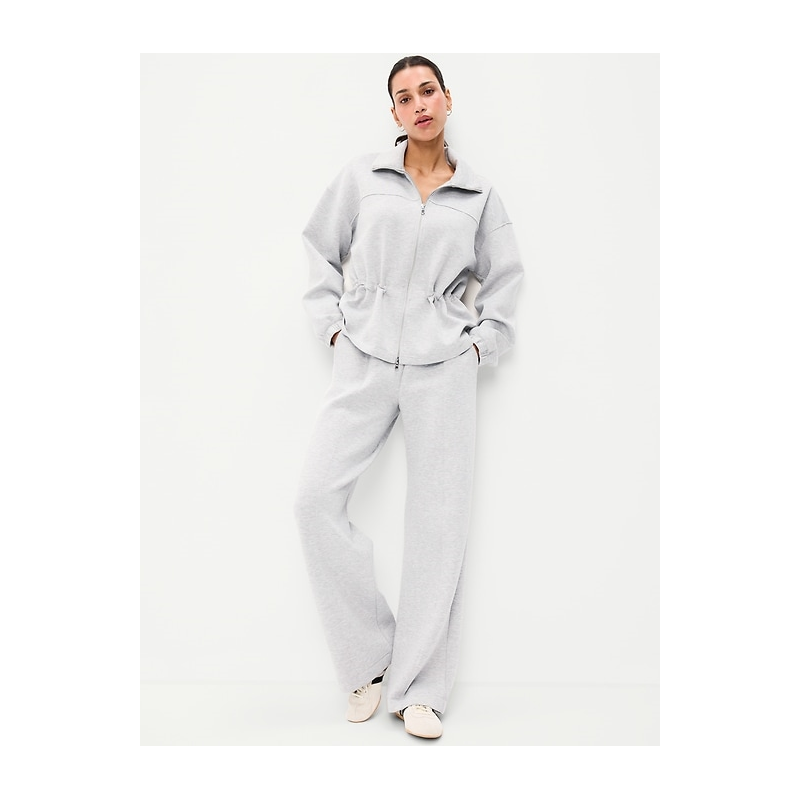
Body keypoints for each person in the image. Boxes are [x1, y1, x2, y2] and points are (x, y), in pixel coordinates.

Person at [294, 55, 524, 740]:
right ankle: (369, 661)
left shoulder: (479, 195)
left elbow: (506, 279)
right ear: (393, 112)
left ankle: (420, 687)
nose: (418, 103)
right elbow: (317, 248)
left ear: (448, 99)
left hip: (442, 366)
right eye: (404, 96)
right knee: (313, 500)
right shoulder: (362, 179)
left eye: (428, 91)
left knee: (438, 525)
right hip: (363, 357)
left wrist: (481, 345)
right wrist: (332, 326)